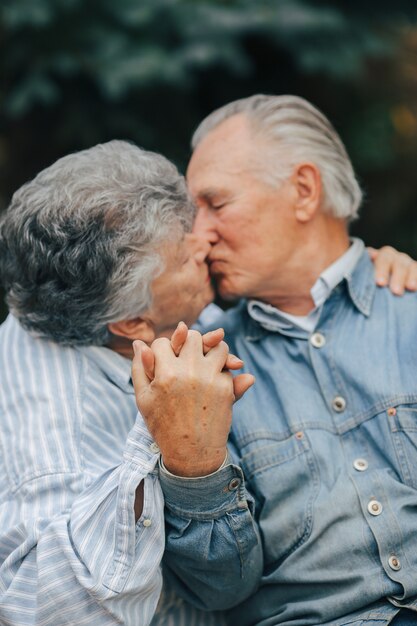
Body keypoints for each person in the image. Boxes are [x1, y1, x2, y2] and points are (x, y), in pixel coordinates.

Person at [132, 95, 417, 626]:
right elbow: (219, 590)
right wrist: (194, 467)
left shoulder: (410, 311)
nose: (200, 234)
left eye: (217, 203)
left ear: (304, 191)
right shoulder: (197, 369)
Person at [0, 140, 255, 626]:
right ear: (132, 324)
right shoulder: (59, 441)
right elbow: (48, 610)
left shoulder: (96, 299)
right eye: (183, 257)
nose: (204, 243)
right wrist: (179, 457)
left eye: (189, 222)